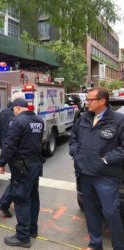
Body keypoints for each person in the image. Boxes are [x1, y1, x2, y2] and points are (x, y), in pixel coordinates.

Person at [69, 87, 124, 250]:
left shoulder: (118, 120)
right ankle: (95, 244)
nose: (87, 102)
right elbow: (73, 138)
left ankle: (119, 247)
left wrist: (106, 160)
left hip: (105, 176)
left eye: (90, 100)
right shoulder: (84, 118)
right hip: (85, 174)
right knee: (91, 212)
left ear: (102, 101)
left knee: (111, 213)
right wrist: (76, 154)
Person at [0, 98, 44, 248]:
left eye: (14, 110)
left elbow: (9, 144)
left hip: (22, 166)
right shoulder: (39, 120)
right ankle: (32, 230)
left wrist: (1, 163)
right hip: (35, 164)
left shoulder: (18, 122)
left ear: (18, 108)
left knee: (21, 198)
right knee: (33, 196)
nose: (14, 112)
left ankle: (23, 237)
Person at [0, 92, 25, 218]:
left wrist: (3, 149)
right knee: (18, 179)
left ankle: (6, 202)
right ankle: (4, 202)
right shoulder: (18, 115)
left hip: (7, 151)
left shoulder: (2, 113)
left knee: (16, 177)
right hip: (16, 152)